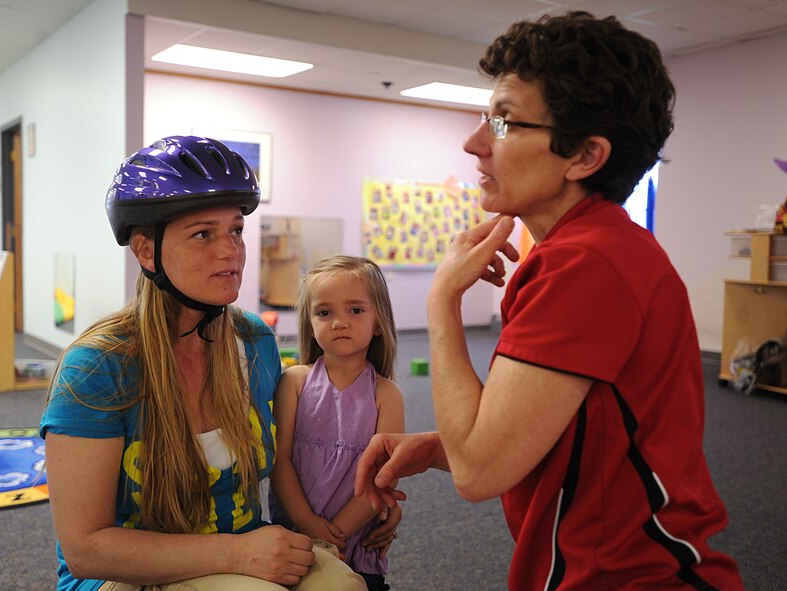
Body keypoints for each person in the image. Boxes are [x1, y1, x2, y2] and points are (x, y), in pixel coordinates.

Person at [355, 12, 744, 590]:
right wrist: (444, 446)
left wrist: (442, 301)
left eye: (506, 122)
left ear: (584, 156)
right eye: (485, 117)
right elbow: (565, 429)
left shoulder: (584, 265)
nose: (475, 142)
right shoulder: (595, 247)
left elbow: (479, 472)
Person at [40, 135, 377, 591]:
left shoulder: (254, 341)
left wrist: (370, 502)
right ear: (145, 251)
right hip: (122, 576)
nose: (230, 251)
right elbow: (84, 548)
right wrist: (238, 553)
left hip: (241, 546)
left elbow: (295, 461)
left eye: (235, 230)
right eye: (203, 234)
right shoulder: (99, 365)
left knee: (345, 586)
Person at [270, 255, 405, 591]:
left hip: (354, 548)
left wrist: (336, 535)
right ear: (310, 322)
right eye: (324, 312)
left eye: (355, 310)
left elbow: (384, 476)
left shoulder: (387, 395)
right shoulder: (294, 382)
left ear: (378, 321)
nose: (339, 322)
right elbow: (280, 459)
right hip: (293, 538)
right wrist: (308, 524)